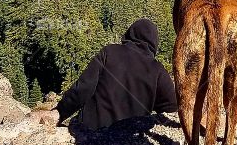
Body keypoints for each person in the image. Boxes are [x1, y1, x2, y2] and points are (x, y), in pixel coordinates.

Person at [35, 18, 177, 130]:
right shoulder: (158, 70)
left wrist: (60, 111)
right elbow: (172, 108)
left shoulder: (109, 52)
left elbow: (83, 88)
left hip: (90, 128)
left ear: (130, 34)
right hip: (128, 136)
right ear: (154, 44)